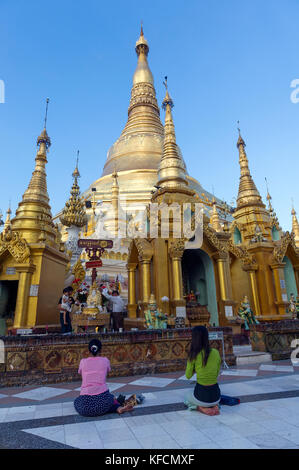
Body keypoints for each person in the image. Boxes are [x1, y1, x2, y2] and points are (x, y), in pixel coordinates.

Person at [74, 339, 133, 416]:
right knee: (111, 398)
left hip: (85, 408)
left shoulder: (83, 362)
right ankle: (118, 408)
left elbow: (80, 372)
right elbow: (108, 370)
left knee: (76, 401)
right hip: (103, 403)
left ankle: (115, 408)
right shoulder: (105, 360)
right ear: (100, 350)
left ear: (88, 351)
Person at [185, 326, 221, 416]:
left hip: (201, 396)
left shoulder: (193, 355)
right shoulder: (216, 352)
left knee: (187, 397)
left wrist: (195, 369)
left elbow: (188, 375)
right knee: (213, 396)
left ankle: (200, 408)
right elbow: (216, 373)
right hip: (216, 396)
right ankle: (215, 406)